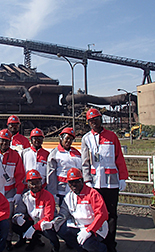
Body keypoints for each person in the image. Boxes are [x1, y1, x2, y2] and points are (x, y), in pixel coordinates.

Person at [81, 108, 128, 252]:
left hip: (111, 183)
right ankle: (95, 241)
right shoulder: (86, 138)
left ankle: (110, 244)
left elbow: (119, 157)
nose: (94, 122)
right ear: (88, 123)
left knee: (111, 215)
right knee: (95, 214)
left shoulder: (112, 136)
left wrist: (122, 178)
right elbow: (85, 162)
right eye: (91, 120)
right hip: (95, 183)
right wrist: (87, 180)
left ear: (101, 120)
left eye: (96, 119)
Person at [53, 168, 109, 252]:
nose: (74, 184)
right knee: (61, 229)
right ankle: (81, 249)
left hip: (96, 229)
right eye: (71, 182)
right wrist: (52, 224)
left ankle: (102, 249)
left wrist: (89, 231)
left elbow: (102, 215)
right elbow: (63, 215)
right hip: (79, 226)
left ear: (82, 180)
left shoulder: (93, 194)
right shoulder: (69, 197)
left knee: (87, 243)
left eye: (77, 181)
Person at [12, 170, 60, 252]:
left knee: (48, 229)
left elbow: (49, 216)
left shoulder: (48, 196)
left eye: (37, 183)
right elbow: (19, 211)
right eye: (32, 183)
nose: (35, 186)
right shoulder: (25, 196)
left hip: (45, 223)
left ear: (41, 182)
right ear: (28, 184)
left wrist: (35, 227)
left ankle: (55, 246)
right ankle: (30, 240)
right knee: (15, 226)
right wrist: (18, 218)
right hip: (32, 222)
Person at [47, 127, 82, 206]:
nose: (69, 141)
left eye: (71, 139)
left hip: (75, 189)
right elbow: (51, 175)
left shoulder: (77, 153)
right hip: (61, 191)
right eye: (67, 138)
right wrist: (53, 193)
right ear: (61, 138)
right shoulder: (54, 154)